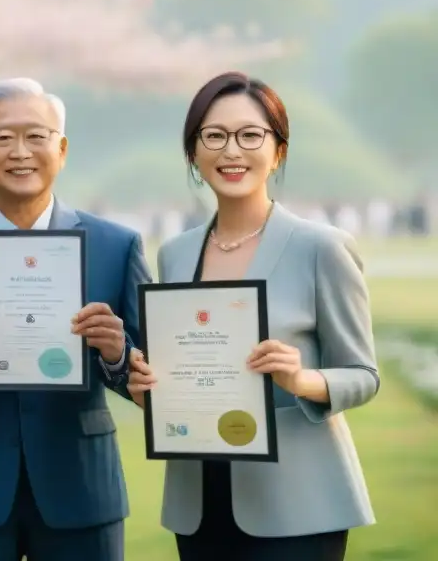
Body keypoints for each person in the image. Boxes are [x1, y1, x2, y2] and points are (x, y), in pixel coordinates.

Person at [127, 71, 379, 561]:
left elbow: (364, 375)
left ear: (278, 150)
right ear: (194, 153)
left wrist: (301, 379)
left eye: (250, 136)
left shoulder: (321, 247)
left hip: (299, 501)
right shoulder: (176, 254)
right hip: (200, 500)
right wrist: (151, 391)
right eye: (214, 136)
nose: (231, 151)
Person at [0, 78, 149, 561]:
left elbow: (152, 379)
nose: (20, 152)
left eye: (36, 136)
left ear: (62, 148)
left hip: (81, 489)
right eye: (2, 138)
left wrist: (116, 352)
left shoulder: (115, 244)